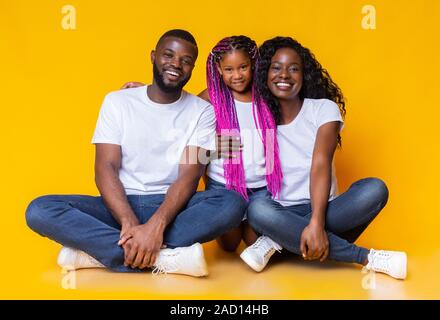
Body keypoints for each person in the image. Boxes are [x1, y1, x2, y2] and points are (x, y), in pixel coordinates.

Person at [25, 29, 247, 277]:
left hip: (173, 208)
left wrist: (156, 226)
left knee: (232, 203)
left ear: (192, 68)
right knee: (40, 210)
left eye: (186, 61)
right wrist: (129, 223)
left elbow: (189, 175)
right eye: (168, 55)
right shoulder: (118, 102)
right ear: (153, 57)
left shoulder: (201, 111)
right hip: (119, 204)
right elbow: (104, 168)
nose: (176, 64)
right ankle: (166, 258)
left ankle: (100, 254)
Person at [240, 36, 407, 280]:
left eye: (293, 68)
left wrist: (316, 223)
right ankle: (366, 257)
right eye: (276, 68)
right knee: (257, 208)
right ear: (264, 74)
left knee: (374, 189)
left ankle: (276, 243)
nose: (284, 75)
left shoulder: (323, 109)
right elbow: (215, 98)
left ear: (304, 75)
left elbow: (320, 164)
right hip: (280, 212)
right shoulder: (258, 117)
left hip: (326, 210)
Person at [123, 35, 283, 253]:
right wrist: (144, 90)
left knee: (254, 244)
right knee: (229, 247)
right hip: (223, 186)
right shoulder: (210, 98)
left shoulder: (266, 97)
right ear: (218, 68)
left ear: (253, 64)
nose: (237, 75)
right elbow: (178, 114)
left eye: (243, 67)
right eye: (229, 69)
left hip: (261, 188)